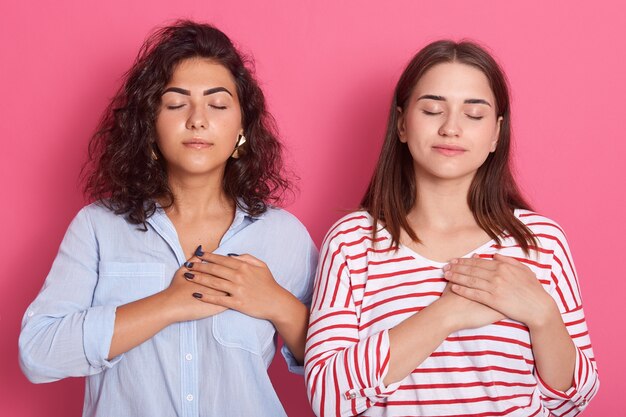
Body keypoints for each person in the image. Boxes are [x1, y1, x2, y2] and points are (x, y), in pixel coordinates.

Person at [19, 20, 317, 417]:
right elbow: (38, 354)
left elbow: (339, 371)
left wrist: (278, 304)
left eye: (217, 104)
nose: (197, 119)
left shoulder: (283, 236)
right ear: (150, 125)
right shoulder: (97, 227)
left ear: (242, 126)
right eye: (176, 104)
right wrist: (167, 305)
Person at [305, 40, 598, 417]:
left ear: (496, 134)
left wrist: (542, 314)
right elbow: (328, 399)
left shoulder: (541, 241)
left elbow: (573, 401)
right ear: (401, 123)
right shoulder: (353, 241)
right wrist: (448, 314)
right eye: (431, 110)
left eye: (474, 115)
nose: (451, 128)